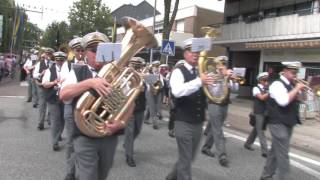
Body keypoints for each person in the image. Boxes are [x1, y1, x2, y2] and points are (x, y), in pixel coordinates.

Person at [59, 31, 133, 180]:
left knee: (102, 174)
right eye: (93, 50)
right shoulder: (78, 71)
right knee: (88, 176)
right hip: (84, 136)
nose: (97, 54)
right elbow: (63, 94)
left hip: (108, 135)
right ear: (86, 52)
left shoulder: (117, 75)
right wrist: (90, 83)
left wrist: (121, 122)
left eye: (101, 49)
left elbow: (130, 102)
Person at [166, 38, 213, 180]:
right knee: (186, 161)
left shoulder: (201, 72)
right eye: (192, 51)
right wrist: (199, 81)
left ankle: (170, 177)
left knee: (188, 158)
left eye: (198, 51)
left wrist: (220, 77)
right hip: (183, 122)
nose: (196, 54)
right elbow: (177, 91)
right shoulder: (178, 72)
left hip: (198, 122)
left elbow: (213, 93)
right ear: (185, 53)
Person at [260, 61, 305, 180]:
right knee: (283, 154)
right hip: (277, 122)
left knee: (275, 151)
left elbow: (301, 100)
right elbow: (283, 101)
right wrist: (296, 89)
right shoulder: (276, 84)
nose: (295, 75)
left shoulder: (292, 85)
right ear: (284, 71)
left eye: (296, 72)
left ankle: (266, 176)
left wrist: (300, 91)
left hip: (289, 122)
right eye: (292, 72)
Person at [200, 56, 239, 168]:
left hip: (225, 104)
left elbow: (235, 89)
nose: (222, 66)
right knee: (218, 129)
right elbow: (215, 92)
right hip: (214, 104)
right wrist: (223, 78)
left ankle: (206, 147)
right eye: (221, 64)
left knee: (214, 127)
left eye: (224, 64)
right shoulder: (211, 76)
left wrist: (232, 78)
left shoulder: (227, 75)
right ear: (217, 65)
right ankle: (222, 155)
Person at [60, 36, 85, 180]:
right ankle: (70, 171)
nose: (80, 53)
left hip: (86, 106)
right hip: (71, 105)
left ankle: (84, 168)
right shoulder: (67, 64)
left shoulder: (90, 63)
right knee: (70, 139)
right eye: (77, 50)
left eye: (82, 50)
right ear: (73, 51)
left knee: (85, 139)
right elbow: (64, 83)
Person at [124, 57, 147, 167]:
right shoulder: (125, 76)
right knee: (130, 131)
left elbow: (150, 89)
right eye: (135, 65)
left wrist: (146, 82)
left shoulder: (144, 76)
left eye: (139, 66)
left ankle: (127, 143)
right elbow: (125, 90)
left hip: (141, 107)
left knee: (137, 130)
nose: (137, 68)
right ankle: (129, 156)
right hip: (129, 107)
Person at [42, 51, 66, 151]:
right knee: (55, 119)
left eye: (61, 60)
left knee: (63, 118)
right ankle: (55, 142)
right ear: (55, 60)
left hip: (64, 98)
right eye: (57, 60)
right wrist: (53, 82)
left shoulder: (68, 70)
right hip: (53, 98)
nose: (59, 62)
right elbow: (44, 84)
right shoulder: (49, 71)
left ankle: (59, 133)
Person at [244, 72, 269, 157]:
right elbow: (261, 98)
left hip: (265, 112)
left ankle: (247, 144)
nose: (266, 82)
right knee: (260, 131)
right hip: (258, 112)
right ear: (260, 80)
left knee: (256, 129)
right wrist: (270, 92)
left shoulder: (267, 89)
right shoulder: (256, 88)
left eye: (267, 80)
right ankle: (265, 151)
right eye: (265, 80)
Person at [33, 48, 54, 130]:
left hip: (51, 86)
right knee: (42, 104)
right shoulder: (39, 64)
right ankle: (41, 123)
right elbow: (34, 74)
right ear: (44, 54)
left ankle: (49, 119)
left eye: (49, 54)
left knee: (51, 104)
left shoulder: (54, 64)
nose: (48, 55)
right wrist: (41, 74)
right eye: (47, 54)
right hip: (41, 85)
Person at [144, 60, 165, 129]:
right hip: (150, 92)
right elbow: (149, 85)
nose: (157, 68)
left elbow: (162, 84)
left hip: (158, 92)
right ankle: (155, 123)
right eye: (156, 66)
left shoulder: (159, 75)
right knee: (153, 107)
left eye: (158, 67)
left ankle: (145, 118)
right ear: (152, 67)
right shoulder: (148, 74)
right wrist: (155, 78)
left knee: (150, 106)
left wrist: (159, 82)